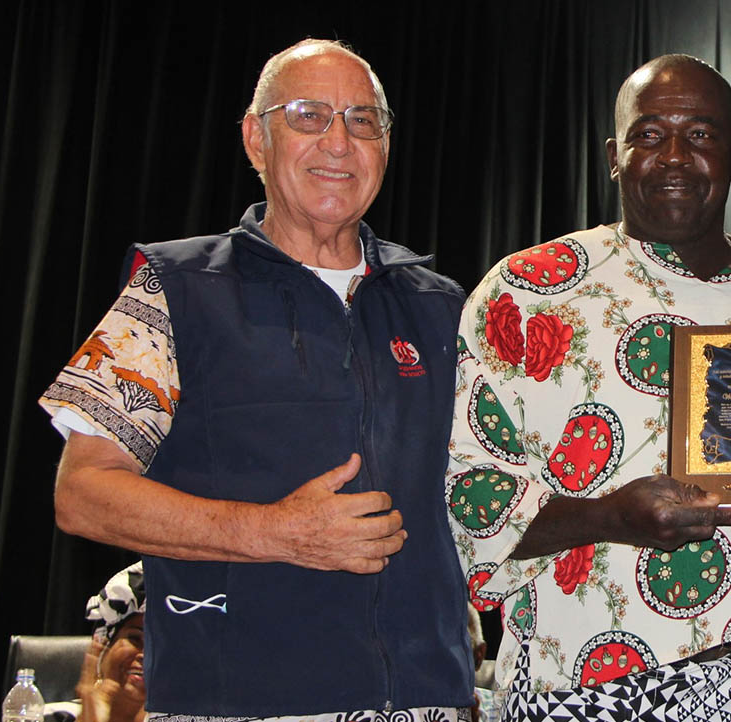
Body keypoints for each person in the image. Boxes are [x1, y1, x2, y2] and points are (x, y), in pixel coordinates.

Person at [39, 39, 472, 721]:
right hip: (235, 700)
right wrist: (273, 532)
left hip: (424, 701)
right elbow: (83, 494)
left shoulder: (442, 305)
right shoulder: (175, 290)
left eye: (363, 120)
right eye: (308, 116)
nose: (338, 142)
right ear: (255, 138)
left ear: (386, 146)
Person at [445, 54, 731, 721]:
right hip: (584, 679)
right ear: (613, 155)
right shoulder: (530, 289)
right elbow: (465, 498)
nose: (674, 155)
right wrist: (609, 517)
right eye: (649, 134)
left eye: (701, 134)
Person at [46, 562, 148, 722]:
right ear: (103, 647)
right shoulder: (51, 717)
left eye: (161, 649)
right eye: (135, 639)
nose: (146, 655)